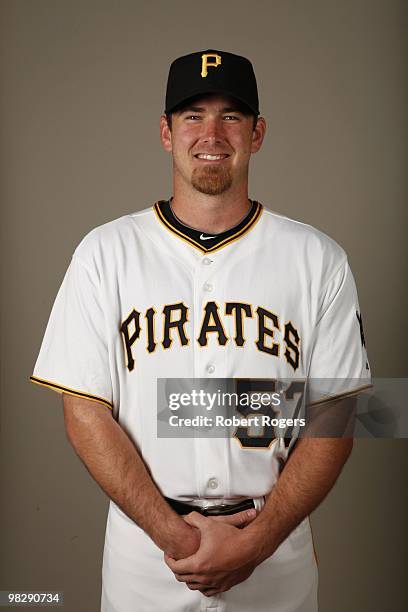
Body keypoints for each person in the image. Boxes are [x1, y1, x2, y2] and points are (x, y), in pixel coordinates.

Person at [30, 49, 371, 611]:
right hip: (148, 557)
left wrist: (256, 544)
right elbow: (85, 412)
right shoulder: (104, 253)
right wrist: (175, 536)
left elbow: (334, 416)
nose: (211, 132)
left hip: (274, 554)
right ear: (166, 132)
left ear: (257, 133)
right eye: (193, 115)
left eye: (231, 116)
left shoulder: (318, 259)